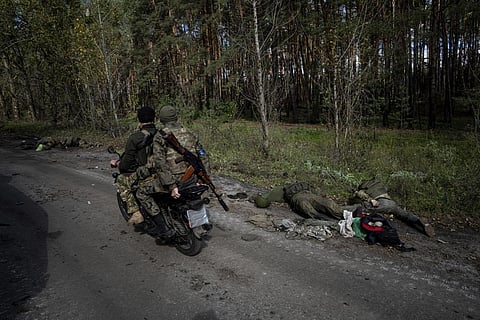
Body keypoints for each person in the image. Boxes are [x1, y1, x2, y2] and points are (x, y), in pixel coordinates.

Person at [110, 106, 173, 237]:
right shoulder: (162, 133)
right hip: (164, 170)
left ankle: (136, 212)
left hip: (147, 173)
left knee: (122, 180)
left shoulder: (135, 137)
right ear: (154, 119)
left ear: (139, 120)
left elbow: (126, 163)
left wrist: (119, 164)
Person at [349, 178, 435, 237]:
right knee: (404, 215)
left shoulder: (363, 190)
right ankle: (418, 220)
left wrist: (368, 199)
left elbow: (361, 195)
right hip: (392, 204)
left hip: (381, 203)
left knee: (363, 208)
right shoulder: (379, 188)